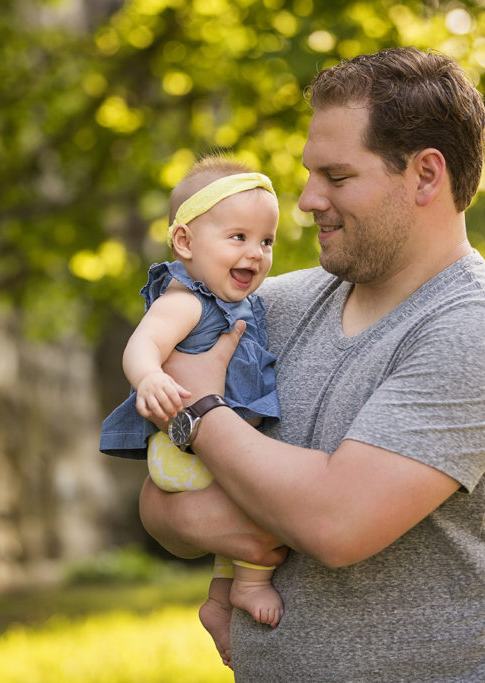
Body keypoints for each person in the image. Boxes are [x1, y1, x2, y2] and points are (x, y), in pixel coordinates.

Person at [139, 47, 485, 681]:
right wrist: (210, 519)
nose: (306, 200)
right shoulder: (268, 306)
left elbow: (337, 523)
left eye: (336, 177)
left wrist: (201, 409)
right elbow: (157, 499)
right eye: (310, 175)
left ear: (425, 176)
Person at [99, 156, 285, 668]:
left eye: (266, 241)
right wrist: (151, 376)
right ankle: (250, 585)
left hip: (198, 447)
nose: (256, 253)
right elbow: (142, 345)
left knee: (244, 496)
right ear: (184, 244)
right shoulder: (187, 301)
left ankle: (220, 602)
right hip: (180, 448)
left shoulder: (243, 302)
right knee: (259, 495)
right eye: (238, 237)